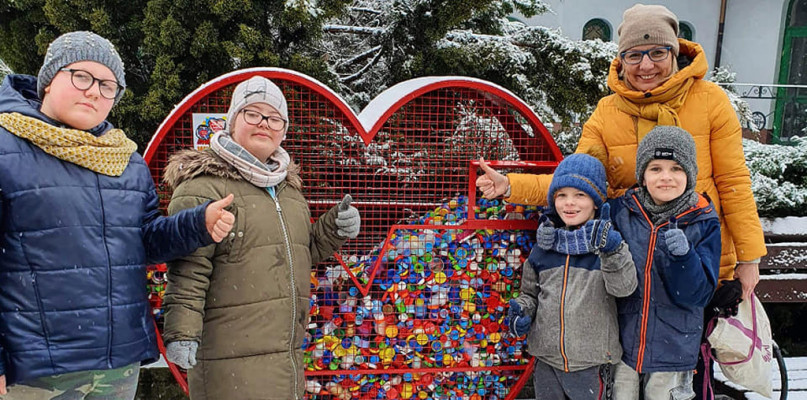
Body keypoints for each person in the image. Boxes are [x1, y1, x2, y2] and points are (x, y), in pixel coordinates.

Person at [0, 31, 235, 398]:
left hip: (116, 364)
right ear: (48, 81)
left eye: (108, 85)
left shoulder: (124, 160)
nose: (94, 91)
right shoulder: (5, 148)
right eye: (82, 77)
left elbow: (142, 241)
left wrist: (196, 224)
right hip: (35, 372)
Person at [476, 3, 765, 301]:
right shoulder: (607, 113)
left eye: (657, 52)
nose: (646, 65)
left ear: (674, 53)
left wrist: (749, 258)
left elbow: (733, 182)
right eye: (634, 55)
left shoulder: (711, 102)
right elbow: (579, 182)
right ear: (621, 60)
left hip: (697, 261)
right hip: (630, 264)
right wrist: (509, 185)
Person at [160, 76, 361, 400]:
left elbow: (298, 250)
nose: (264, 123)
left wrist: (334, 227)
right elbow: (188, 271)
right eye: (252, 113)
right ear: (232, 121)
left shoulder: (288, 190)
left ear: (283, 130)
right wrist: (181, 333)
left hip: (286, 359)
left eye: (274, 118)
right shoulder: (202, 187)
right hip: (229, 363)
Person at [508, 153, 638, 400]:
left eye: (580, 195)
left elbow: (624, 288)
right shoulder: (544, 247)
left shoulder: (608, 244)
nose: (570, 203)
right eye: (562, 195)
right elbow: (530, 294)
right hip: (546, 360)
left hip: (591, 363)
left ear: (597, 201)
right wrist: (523, 311)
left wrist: (612, 250)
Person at [609, 126, 721, 400]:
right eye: (655, 168)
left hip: (673, 348)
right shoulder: (621, 213)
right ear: (643, 175)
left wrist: (684, 258)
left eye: (676, 169)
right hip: (622, 346)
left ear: (689, 174)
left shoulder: (703, 220)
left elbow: (699, 294)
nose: (666, 177)